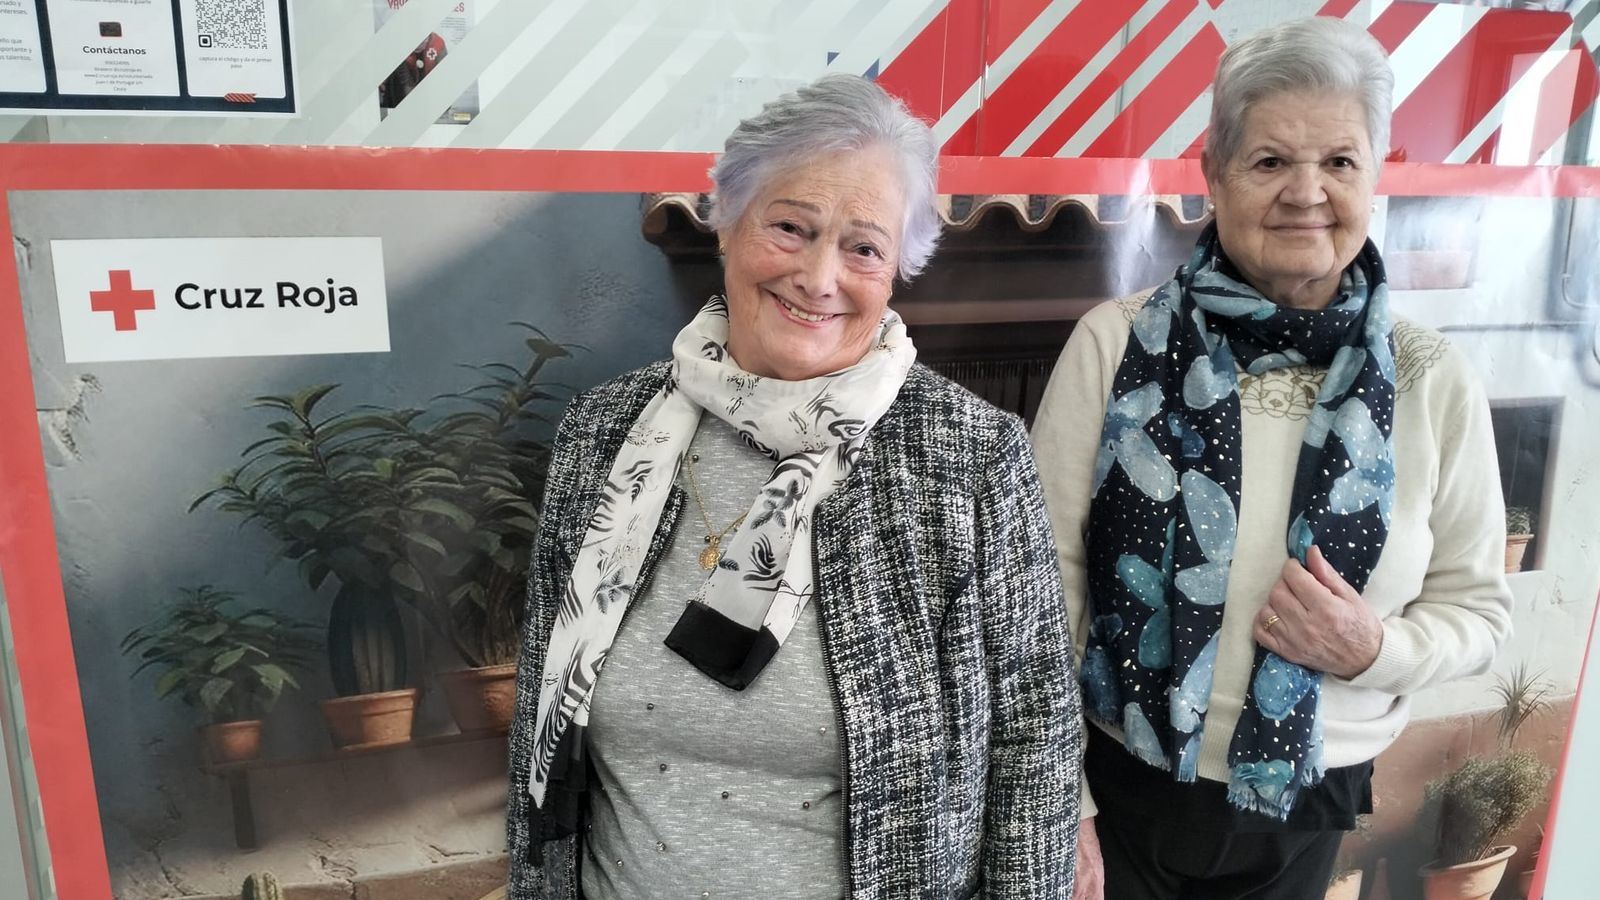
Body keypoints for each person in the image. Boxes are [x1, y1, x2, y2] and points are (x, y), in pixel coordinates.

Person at [506, 73, 1081, 899]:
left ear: (898, 269)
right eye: (791, 226)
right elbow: (540, 711)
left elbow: (1035, 741)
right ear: (728, 224)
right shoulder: (604, 434)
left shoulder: (971, 457)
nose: (819, 277)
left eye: (863, 246)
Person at [1031, 17, 1512, 900]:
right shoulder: (1115, 344)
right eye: (1269, 161)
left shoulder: (1432, 379)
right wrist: (1061, 801)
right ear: (1213, 175)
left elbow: (1479, 611)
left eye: (1338, 161)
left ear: (1377, 176)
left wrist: (1375, 648)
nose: (1306, 191)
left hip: (1311, 792)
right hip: (1121, 782)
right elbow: (1038, 588)